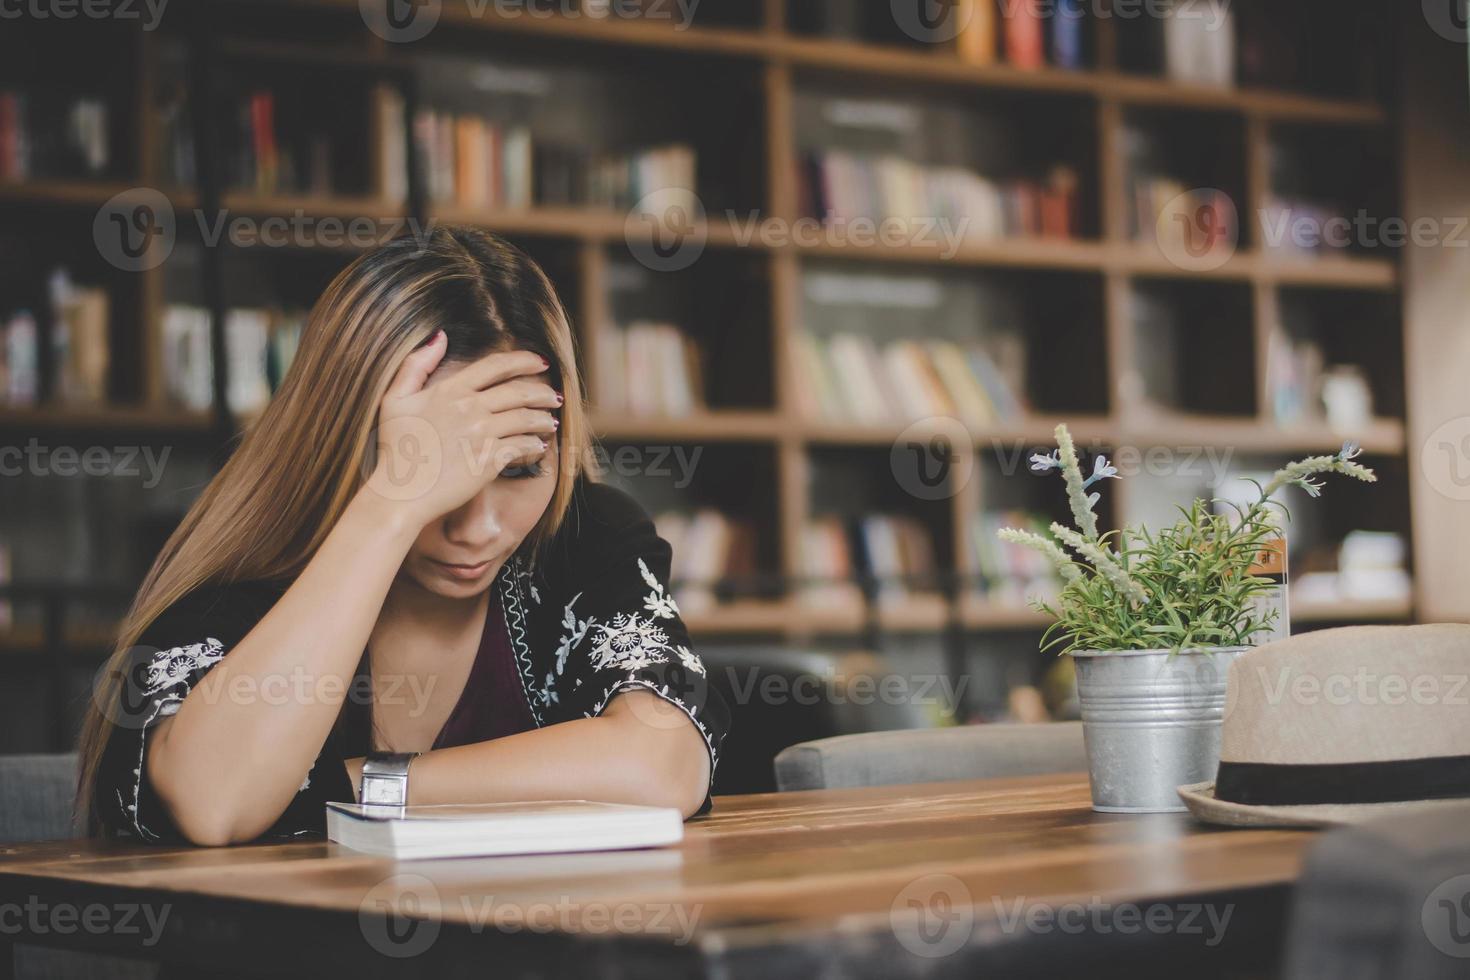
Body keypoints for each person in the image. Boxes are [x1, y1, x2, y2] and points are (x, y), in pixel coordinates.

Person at [74, 227, 729, 845]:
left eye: (520, 469)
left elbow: (661, 768)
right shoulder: (251, 580)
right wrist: (388, 509)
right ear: (339, 440)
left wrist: (355, 787)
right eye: (429, 472)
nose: (478, 528)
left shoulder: (586, 536)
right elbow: (214, 802)